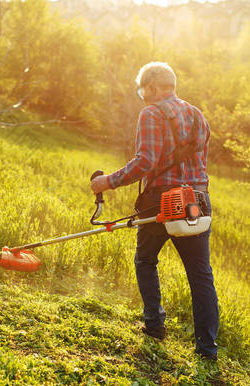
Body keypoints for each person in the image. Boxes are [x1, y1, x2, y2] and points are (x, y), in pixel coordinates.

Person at [90, 62, 219, 360]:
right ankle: (207, 350)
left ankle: (154, 324)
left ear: (151, 87)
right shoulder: (198, 115)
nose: (142, 97)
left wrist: (106, 182)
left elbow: (145, 162)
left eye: (142, 91)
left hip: (163, 201)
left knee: (145, 260)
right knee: (201, 275)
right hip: (197, 202)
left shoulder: (151, 113)